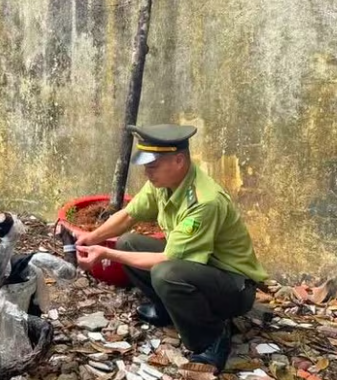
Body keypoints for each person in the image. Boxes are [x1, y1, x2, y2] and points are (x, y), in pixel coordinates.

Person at [75, 124, 268, 373]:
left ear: (178, 161)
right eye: (146, 165)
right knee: (128, 242)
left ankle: (212, 337)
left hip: (234, 287)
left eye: (153, 165)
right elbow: (129, 216)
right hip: (200, 269)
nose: (147, 172)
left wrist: (106, 253)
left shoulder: (205, 201)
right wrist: (91, 238)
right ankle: (169, 310)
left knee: (166, 273)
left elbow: (167, 258)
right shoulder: (164, 183)